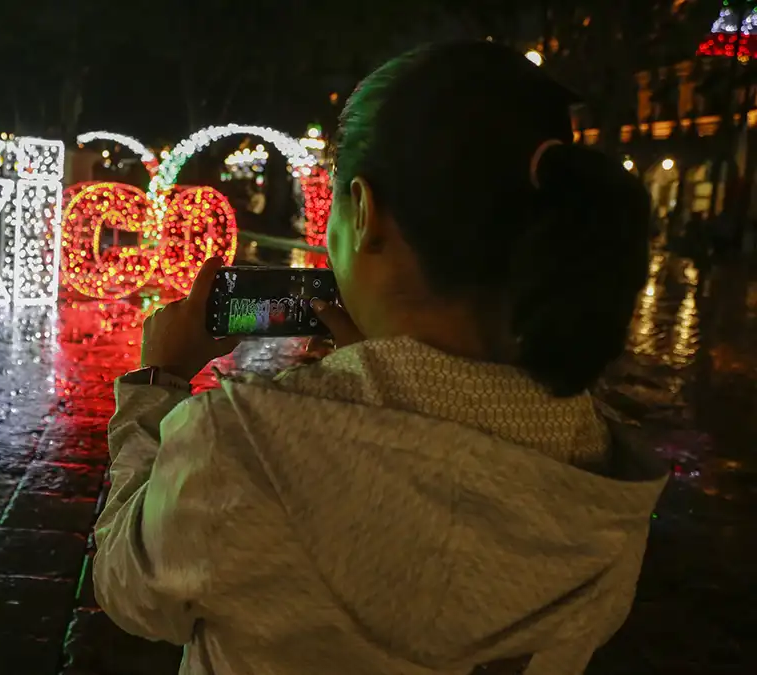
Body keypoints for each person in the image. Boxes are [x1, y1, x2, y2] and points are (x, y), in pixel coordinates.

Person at [93, 41, 669, 675]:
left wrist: (158, 380)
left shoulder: (245, 449)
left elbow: (128, 584)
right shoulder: (606, 480)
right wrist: (385, 389)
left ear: (365, 212)